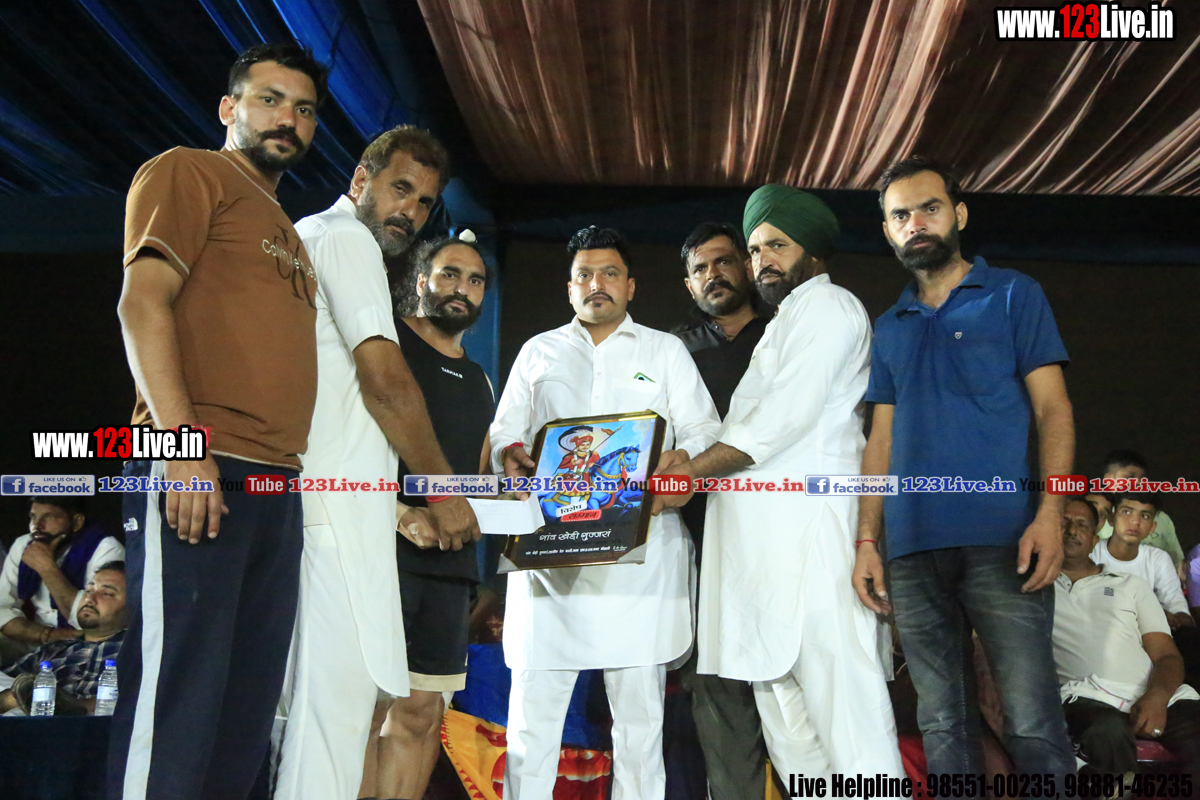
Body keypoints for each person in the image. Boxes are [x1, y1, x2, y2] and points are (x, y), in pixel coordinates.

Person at [109, 43, 329, 800]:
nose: (288, 118)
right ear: (229, 108)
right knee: (179, 699)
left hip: (276, 483)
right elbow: (141, 304)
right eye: (270, 100)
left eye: (304, 109)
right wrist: (179, 447)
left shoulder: (286, 229)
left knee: (244, 711)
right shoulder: (190, 171)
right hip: (201, 465)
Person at [654, 185, 904, 779]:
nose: (763, 259)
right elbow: (741, 426)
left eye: (778, 246)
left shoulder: (830, 306)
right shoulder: (783, 323)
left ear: (812, 251)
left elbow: (780, 419)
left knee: (852, 731)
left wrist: (689, 472)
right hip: (762, 567)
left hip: (815, 550)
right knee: (794, 747)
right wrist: (682, 457)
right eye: (757, 248)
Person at [851, 156, 1077, 779]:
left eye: (930, 208)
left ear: (960, 214)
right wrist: (868, 540)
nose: (916, 223)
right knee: (941, 724)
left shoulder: (1013, 294)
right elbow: (879, 439)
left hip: (1004, 540)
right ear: (888, 231)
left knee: (1032, 721)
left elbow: (1053, 409)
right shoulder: (889, 326)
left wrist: (1051, 513)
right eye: (901, 215)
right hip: (911, 551)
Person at [274, 126, 481, 800]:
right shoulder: (345, 239)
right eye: (400, 189)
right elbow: (386, 382)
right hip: (331, 514)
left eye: (423, 203)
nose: (409, 212)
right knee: (334, 719)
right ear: (360, 180)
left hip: (330, 508)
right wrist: (442, 493)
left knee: (332, 712)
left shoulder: (314, 237)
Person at [490, 225, 720, 800]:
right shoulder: (538, 352)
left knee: (640, 728)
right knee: (531, 725)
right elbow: (503, 433)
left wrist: (682, 461)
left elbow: (704, 430)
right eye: (585, 275)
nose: (597, 284)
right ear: (569, 288)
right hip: (550, 558)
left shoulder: (664, 351)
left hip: (639, 559)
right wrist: (508, 455)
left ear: (631, 286)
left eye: (610, 273)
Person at [359, 233, 495, 800]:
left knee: (421, 715)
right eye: (449, 274)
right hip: (377, 557)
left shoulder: (481, 378)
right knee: (363, 712)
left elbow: (477, 480)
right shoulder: (383, 348)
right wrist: (396, 513)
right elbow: (335, 455)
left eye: (474, 280)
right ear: (420, 281)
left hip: (449, 569)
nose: (462, 288)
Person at [669, 222, 769, 800]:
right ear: (689, 284)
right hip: (701, 542)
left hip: (780, 539)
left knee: (793, 702)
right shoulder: (672, 350)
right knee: (718, 693)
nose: (714, 274)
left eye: (724, 261)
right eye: (700, 268)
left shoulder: (783, 334)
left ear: (747, 267)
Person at [1053, 498, 1200, 777]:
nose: (1072, 531)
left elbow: (1166, 655)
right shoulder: (1033, 589)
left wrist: (1157, 696)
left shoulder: (1130, 585)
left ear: (1094, 539)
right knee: (1105, 731)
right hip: (1085, 696)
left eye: (1082, 525)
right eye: (1063, 522)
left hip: (1155, 693)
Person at [1, 561, 127, 715]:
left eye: (107, 593)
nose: (89, 599)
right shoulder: (55, 649)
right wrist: (15, 696)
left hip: (100, 722)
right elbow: (8, 678)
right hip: (35, 720)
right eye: (88, 590)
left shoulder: (137, 647)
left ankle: (67, 706)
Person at [0, 496, 123, 654]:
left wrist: (47, 568)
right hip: (34, 641)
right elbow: (3, 607)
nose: (37, 526)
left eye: (49, 517)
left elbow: (97, 622)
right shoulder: (24, 545)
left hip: (86, 644)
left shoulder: (106, 549)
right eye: (33, 517)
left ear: (77, 522)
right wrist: (47, 635)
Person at [1091, 492, 1192, 630]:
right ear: (1112, 519)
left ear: (1152, 527)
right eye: (1126, 512)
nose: (1135, 522)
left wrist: (1175, 619)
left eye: (1145, 516)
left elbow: (1178, 607)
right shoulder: (1090, 551)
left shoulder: (1158, 559)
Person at [1094, 450, 1185, 571]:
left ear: (1153, 525)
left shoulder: (1161, 519)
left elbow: (1177, 563)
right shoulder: (1098, 517)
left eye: (1141, 478)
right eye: (1129, 477)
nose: (1137, 482)